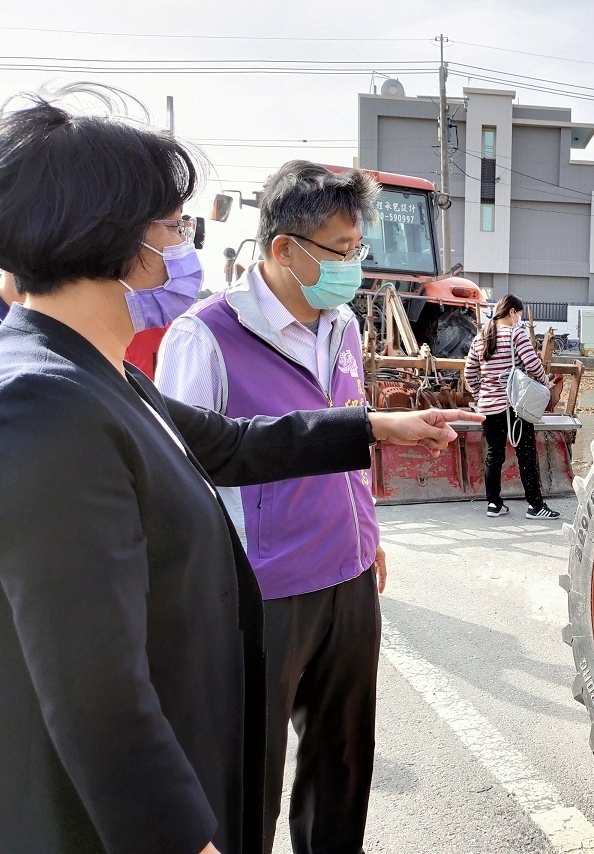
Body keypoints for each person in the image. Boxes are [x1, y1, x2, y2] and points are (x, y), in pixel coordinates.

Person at [0, 90, 482, 854]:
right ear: (112, 237)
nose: (181, 248)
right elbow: (95, 696)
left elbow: (228, 444)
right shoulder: (41, 402)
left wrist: (375, 427)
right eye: (173, 226)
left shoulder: (103, 375)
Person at [157, 161, 388, 854]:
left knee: (343, 763)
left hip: (348, 580)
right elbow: (182, 479)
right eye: (340, 251)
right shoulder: (206, 338)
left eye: (358, 251)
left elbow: (349, 427)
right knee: (249, 775)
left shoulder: (343, 326)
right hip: (262, 595)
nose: (353, 267)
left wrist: (368, 531)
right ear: (284, 249)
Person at [464, 293, 560, 519]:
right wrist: (545, 383)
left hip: (488, 406)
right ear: (512, 312)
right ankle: (535, 506)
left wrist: (480, 395)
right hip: (514, 405)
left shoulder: (480, 337)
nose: (520, 319)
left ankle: (494, 504)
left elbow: (469, 372)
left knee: (493, 455)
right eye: (519, 314)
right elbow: (532, 362)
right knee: (526, 454)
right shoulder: (516, 333)